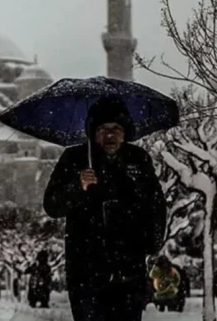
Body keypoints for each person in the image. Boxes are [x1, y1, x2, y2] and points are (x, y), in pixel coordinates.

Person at [43, 96, 167, 321]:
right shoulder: (75, 158)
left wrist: (151, 242)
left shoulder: (138, 159)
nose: (110, 135)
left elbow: (156, 204)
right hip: (86, 268)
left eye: (116, 129)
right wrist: (77, 186)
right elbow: (52, 205)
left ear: (125, 132)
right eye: (103, 129)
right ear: (93, 132)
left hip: (129, 267)